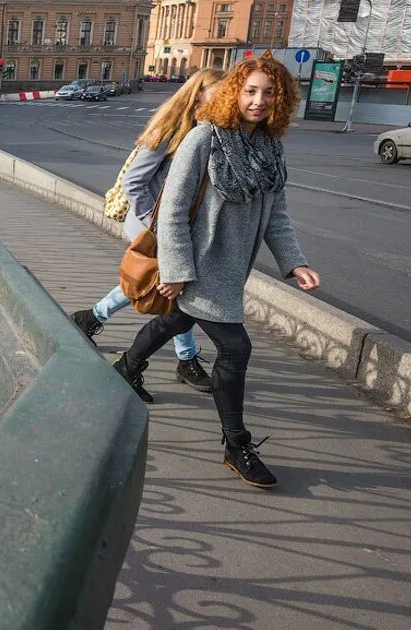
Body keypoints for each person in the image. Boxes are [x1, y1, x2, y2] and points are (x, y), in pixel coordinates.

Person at [112, 56, 320, 489]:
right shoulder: (204, 138)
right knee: (236, 349)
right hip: (198, 265)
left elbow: (276, 214)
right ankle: (235, 443)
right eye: (250, 91)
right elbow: (170, 210)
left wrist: (294, 262)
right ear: (234, 92)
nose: (259, 101)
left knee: (175, 320)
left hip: (231, 267)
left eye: (269, 93)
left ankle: (127, 365)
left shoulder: (269, 147)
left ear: (281, 100)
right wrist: (176, 269)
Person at [71, 68, 226, 397]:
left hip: (177, 228)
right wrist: (154, 223)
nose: (227, 96)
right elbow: (134, 182)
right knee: (170, 291)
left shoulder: (209, 131)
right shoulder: (172, 130)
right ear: (199, 93)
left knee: (165, 290)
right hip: (154, 227)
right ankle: (181, 360)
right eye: (220, 90)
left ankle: (93, 318)